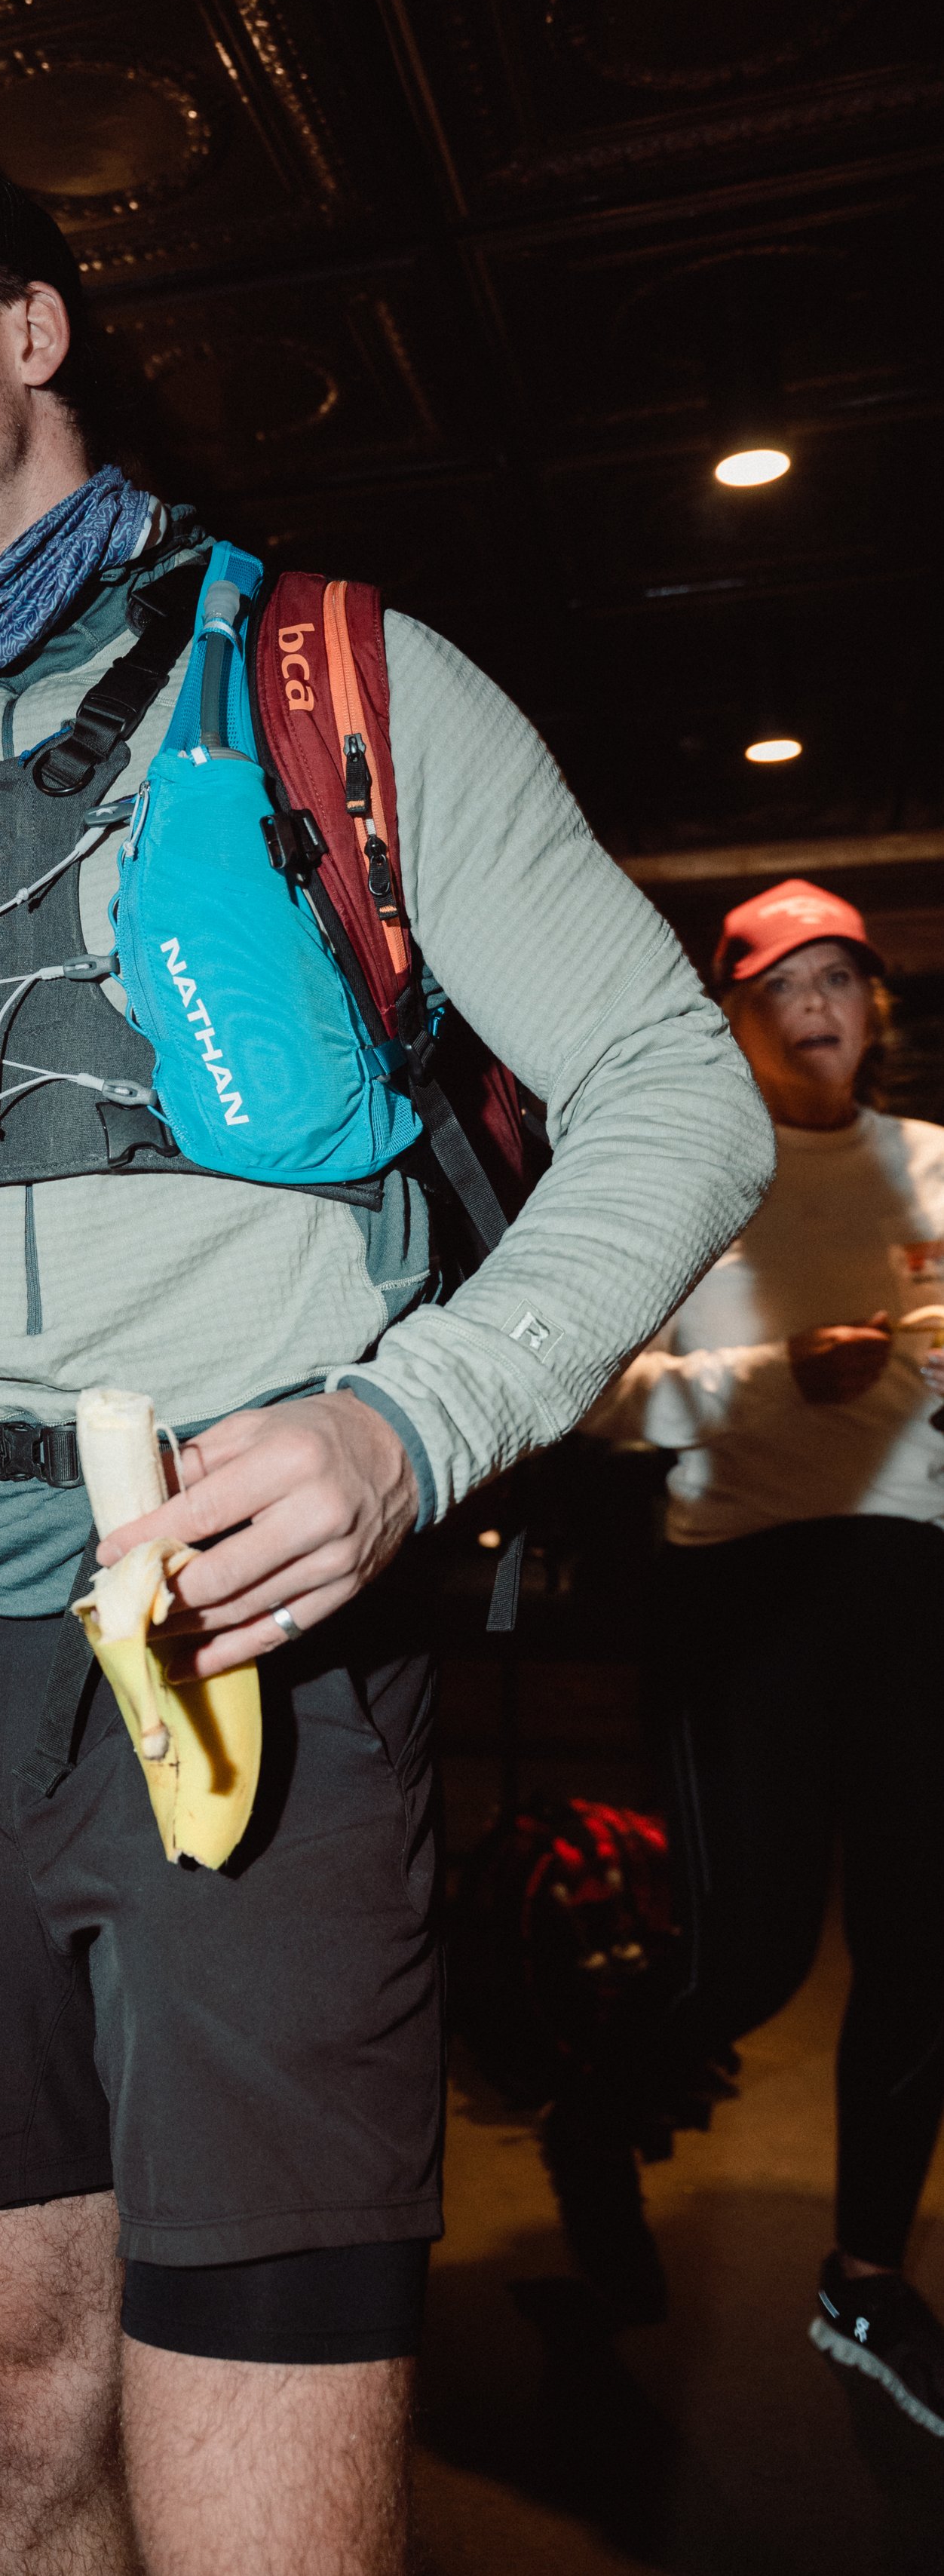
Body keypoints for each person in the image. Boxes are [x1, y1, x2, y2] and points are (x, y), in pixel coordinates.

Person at [0, 145, 772, 2571]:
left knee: (257, 2506)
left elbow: (679, 1093)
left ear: (29, 334)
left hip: (251, 1653)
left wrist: (405, 1424)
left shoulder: (341, 682)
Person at [589, 878, 944, 2438]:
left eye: (838, 980)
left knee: (921, 1952)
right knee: (750, 1960)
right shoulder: (692, 1175)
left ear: (875, 1007)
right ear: (732, 1020)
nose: (814, 1008)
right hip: (744, 1593)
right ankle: (591, 2110)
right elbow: (597, 1399)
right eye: (779, 986)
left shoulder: (934, 1166)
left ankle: (863, 2279)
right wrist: (776, 1373)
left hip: (914, 1585)